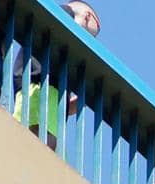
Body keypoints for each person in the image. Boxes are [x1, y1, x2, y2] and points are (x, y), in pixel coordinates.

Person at [12, 2, 102, 147]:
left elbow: (67, 107)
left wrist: (79, 101)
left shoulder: (67, 54)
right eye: (93, 32)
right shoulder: (63, 14)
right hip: (38, 85)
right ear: (87, 16)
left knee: (47, 142)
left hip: (51, 94)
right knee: (39, 138)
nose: (90, 40)